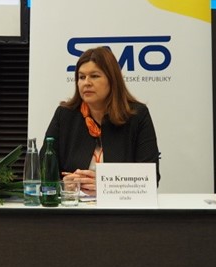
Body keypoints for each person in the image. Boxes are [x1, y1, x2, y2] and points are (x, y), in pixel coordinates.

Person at [43, 46, 160, 196]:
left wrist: (106, 187)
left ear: (112, 80)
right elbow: (43, 171)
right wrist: (62, 185)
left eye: (94, 76)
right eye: (81, 77)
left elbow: (150, 178)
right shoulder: (65, 115)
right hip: (74, 206)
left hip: (120, 207)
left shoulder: (137, 116)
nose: (86, 82)